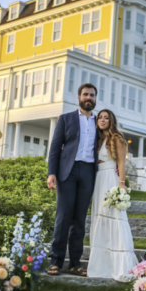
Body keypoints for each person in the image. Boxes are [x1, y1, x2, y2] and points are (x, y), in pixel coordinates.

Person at [46, 83, 100, 277]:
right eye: (85, 94)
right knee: (63, 217)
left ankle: (75, 264)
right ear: (79, 97)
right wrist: (51, 173)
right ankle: (55, 261)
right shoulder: (66, 119)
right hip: (67, 172)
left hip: (89, 172)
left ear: (95, 98)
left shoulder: (99, 122)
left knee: (79, 219)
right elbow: (55, 147)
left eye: (92, 95)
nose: (88, 98)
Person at [87, 109, 137, 281]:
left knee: (114, 218)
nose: (102, 120)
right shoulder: (98, 139)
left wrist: (121, 185)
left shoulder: (117, 138)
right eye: (100, 117)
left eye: (106, 118)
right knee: (100, 218)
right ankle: (101, 266)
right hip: (99, 179)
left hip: (110, 179)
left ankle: (120, 266)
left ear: (111, 120)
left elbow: (121, 163)